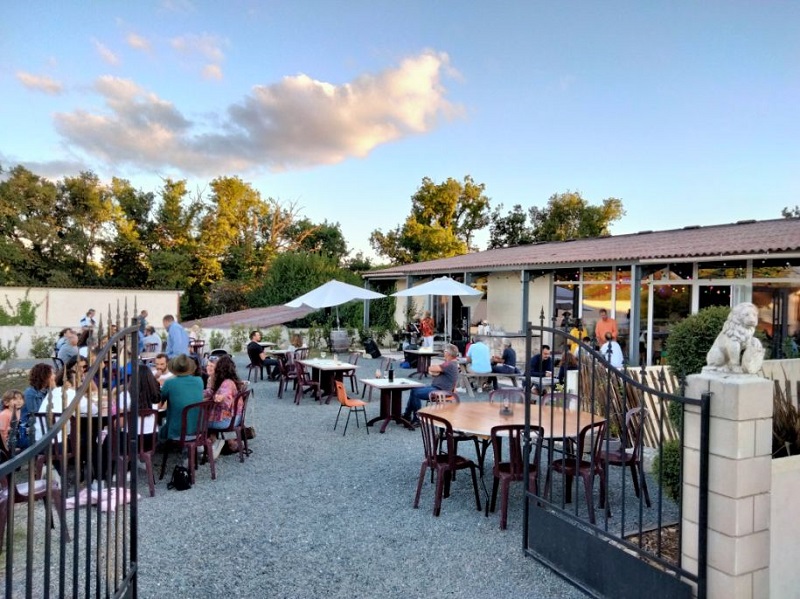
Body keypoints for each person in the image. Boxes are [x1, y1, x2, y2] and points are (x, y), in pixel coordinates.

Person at [402, 344, 460, 425]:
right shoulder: (452, 363)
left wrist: (434, 370)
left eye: (444, 351)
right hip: (438, 388)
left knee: (415, 393)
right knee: (414, 389)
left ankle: (416, 419)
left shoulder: (449, 364)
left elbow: (431, 368)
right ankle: (407, 415)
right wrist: (436, 371)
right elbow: (434, 372)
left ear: (447, 353)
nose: (443, 353)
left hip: (440, 391)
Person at [159, 354, 204, 442]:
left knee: (160, 432)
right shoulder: (199, 380)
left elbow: (159, 403)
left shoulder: (169, 383)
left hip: (177, 433)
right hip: (199, 431)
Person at [204, 355, 241, 458]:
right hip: (235, 417)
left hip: (227, 421)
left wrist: (219, 397)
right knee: (204, 417)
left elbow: (222, 395)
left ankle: (212, 445)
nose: (211, 368)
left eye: (214, 366)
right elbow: (210, 392)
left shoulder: (227, 383)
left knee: (197, 422)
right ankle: (215, 442)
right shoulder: (229, 380)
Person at [19, 363, 56, 449]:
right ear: (45, 376)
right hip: (31, 433)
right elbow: (37, 415)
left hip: (44, 429)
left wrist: (54, 388)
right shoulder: (30, 393)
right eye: (52, 374)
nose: (54, 376)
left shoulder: (47, 392)